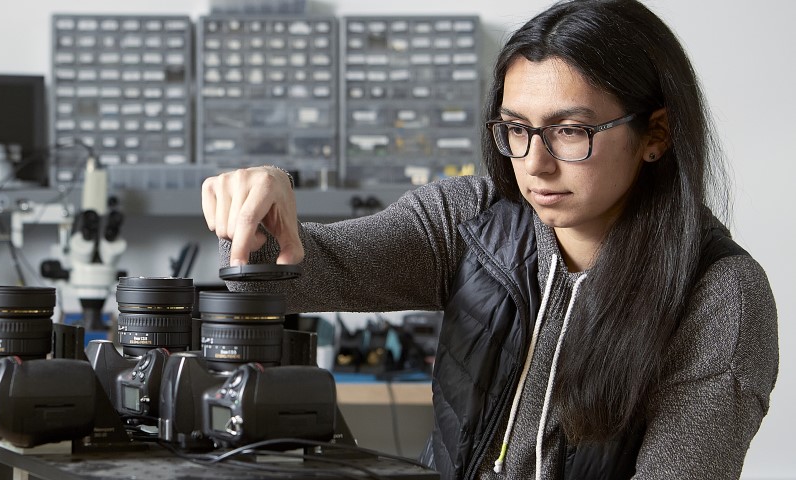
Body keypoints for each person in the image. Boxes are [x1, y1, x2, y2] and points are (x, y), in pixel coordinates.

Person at [199, 0, 779, 478]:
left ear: (656, 133)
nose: (535, 165)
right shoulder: (471, 220)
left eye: (571, 131)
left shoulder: (719, 296)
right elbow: (303, 272)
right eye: (517, 129)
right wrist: (261, 206)